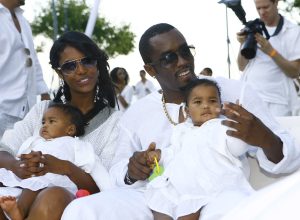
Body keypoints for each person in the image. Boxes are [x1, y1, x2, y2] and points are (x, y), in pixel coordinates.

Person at [61, 23, 300, 220]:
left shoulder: (235, 91)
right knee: (81, 211)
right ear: (150, 70)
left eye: (185, 51)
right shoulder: (137, 113)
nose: (183, 61)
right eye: (168, 58)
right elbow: (117, 174)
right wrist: (132, 171)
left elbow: (289, 158)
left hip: (218, 194)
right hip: (156, 197)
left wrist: (264, 138)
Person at [0, 31, 121, 220]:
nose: (81, 70)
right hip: (22, 192)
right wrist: (18, 165)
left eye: (87, 61)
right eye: (70, 66)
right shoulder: (42, 111)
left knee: (53, 196)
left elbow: (105, 184)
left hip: (78, 204)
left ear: (97, 64)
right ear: (59, 72)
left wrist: (63, 167)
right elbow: (4, 149)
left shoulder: (114, 122)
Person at [145, 78, 253, 220]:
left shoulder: (222, 127)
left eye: (212, 101)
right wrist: (159, 155)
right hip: (185, 185)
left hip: (216, 182)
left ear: (221, 106)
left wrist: (238, 125)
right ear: (187, 110)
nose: (206, 106)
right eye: (198, 102)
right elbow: (174, 152)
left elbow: (237, 147)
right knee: (163, 203)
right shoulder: (182, 130)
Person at [0, 103, 112, 220]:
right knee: (24, 180)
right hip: (31, 178)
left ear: (70, 129)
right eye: (43, 122)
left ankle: (20, 210)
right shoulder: (36, 141)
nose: (45, 126)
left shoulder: (76, 145)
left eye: (51, 121)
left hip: (56, 181)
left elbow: (95, 170)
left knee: (36, 182)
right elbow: (21, 156)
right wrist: (24, 163)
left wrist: (106, 187)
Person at [237, 0, 300, 116]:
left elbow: (294, 72)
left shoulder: (293, 31)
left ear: (276, 3)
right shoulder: (253, 28)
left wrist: (270, 51)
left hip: (277, 102)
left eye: (266, 7)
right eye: (258, 8)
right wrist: (242, 44)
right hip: (249, 99)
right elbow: (241, 66)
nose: (262, 12)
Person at [0, 0, 50, 139]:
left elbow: (32, 57)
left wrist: (44, 92)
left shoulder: (23, 20)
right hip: (3, 107)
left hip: (27, 109)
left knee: (19, 157)